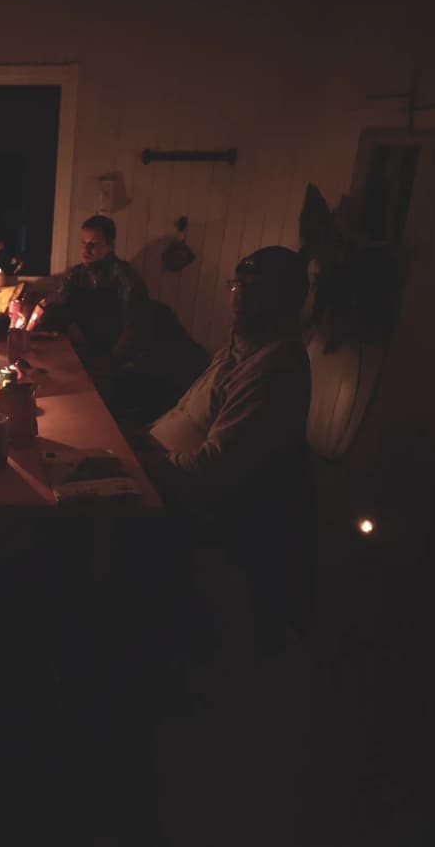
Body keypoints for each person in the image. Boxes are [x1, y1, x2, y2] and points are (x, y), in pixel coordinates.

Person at [136, 245, 316, 647]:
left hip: (192, 499)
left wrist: (142, 462)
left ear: (284, 302)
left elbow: (213, 468)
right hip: (158, 459)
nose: (239, 297)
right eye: (238, 285)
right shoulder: (240, 345)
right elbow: (185, 412)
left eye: (255, 290)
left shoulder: (274, 368)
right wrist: (137, 436)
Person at [28, 215, 152, 397]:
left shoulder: (126, 279)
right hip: (78, 345)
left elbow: (135, 327)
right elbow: (55, 302)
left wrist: (109, 362)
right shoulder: (77, 274)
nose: (86, 250)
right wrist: (28, 327)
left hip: (108, 351)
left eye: (93, 244)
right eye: (83, 243)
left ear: (110, 246)